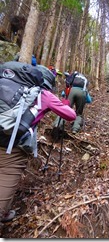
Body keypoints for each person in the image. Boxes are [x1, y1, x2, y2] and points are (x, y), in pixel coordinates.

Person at [0, 66, 76, 230]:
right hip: (10, 146)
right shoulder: (44, 95)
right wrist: (63, 104)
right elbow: (71, 115)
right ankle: (2, 212)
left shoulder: (8, 83)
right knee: (6, 178)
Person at [52, 71, 92, 135]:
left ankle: (57, 124)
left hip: (71, 91)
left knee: (64, 110)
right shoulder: (84, 86)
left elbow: (63, 94)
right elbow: (89, 100)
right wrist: (83, 100)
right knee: (79, 114)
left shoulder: (72, 84)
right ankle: (75, 129)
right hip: (82, 93)